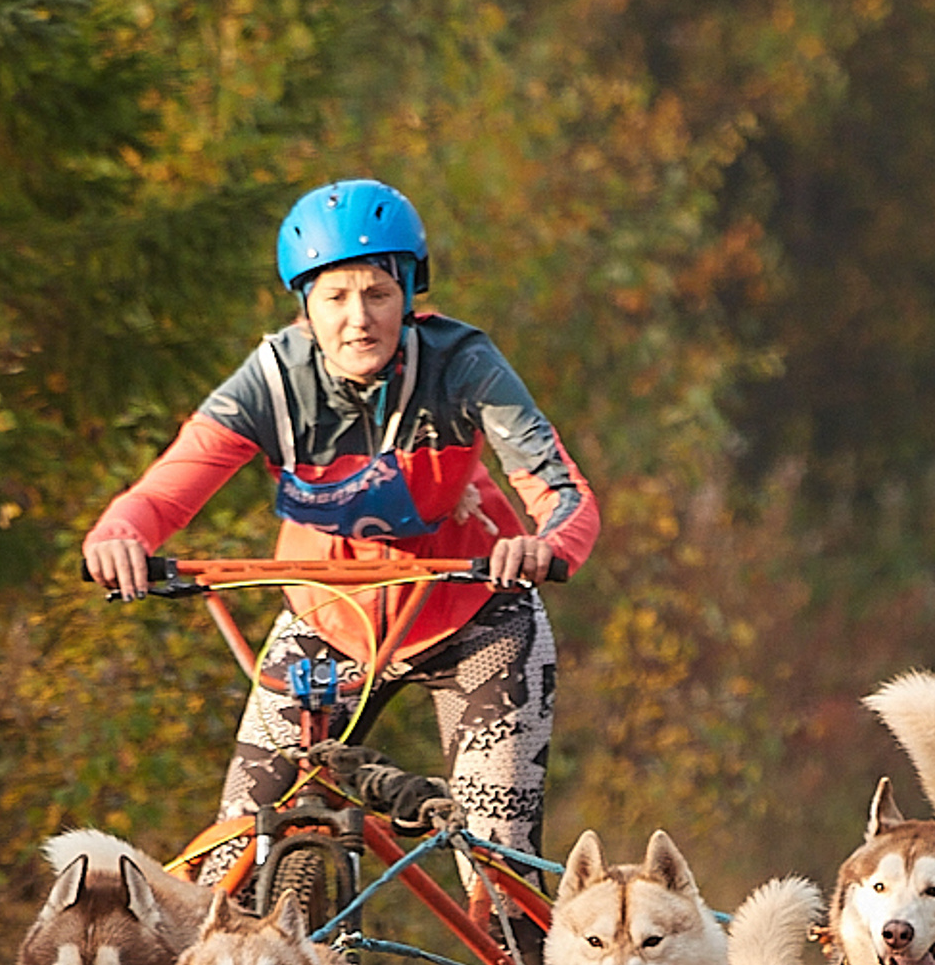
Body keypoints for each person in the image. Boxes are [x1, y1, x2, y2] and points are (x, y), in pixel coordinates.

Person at [81, 178, 601, 903]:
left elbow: (563, 493)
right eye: (335, 298)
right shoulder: (269, 384)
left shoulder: (465, 365)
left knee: (496, 870)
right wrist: (118, 537)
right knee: (226, 868)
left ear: (410, 294)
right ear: (305, 307)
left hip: (474, 617)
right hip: (329, 621)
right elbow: (165, 491)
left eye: (379, 294)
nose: (359, 319)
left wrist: (544, 545)